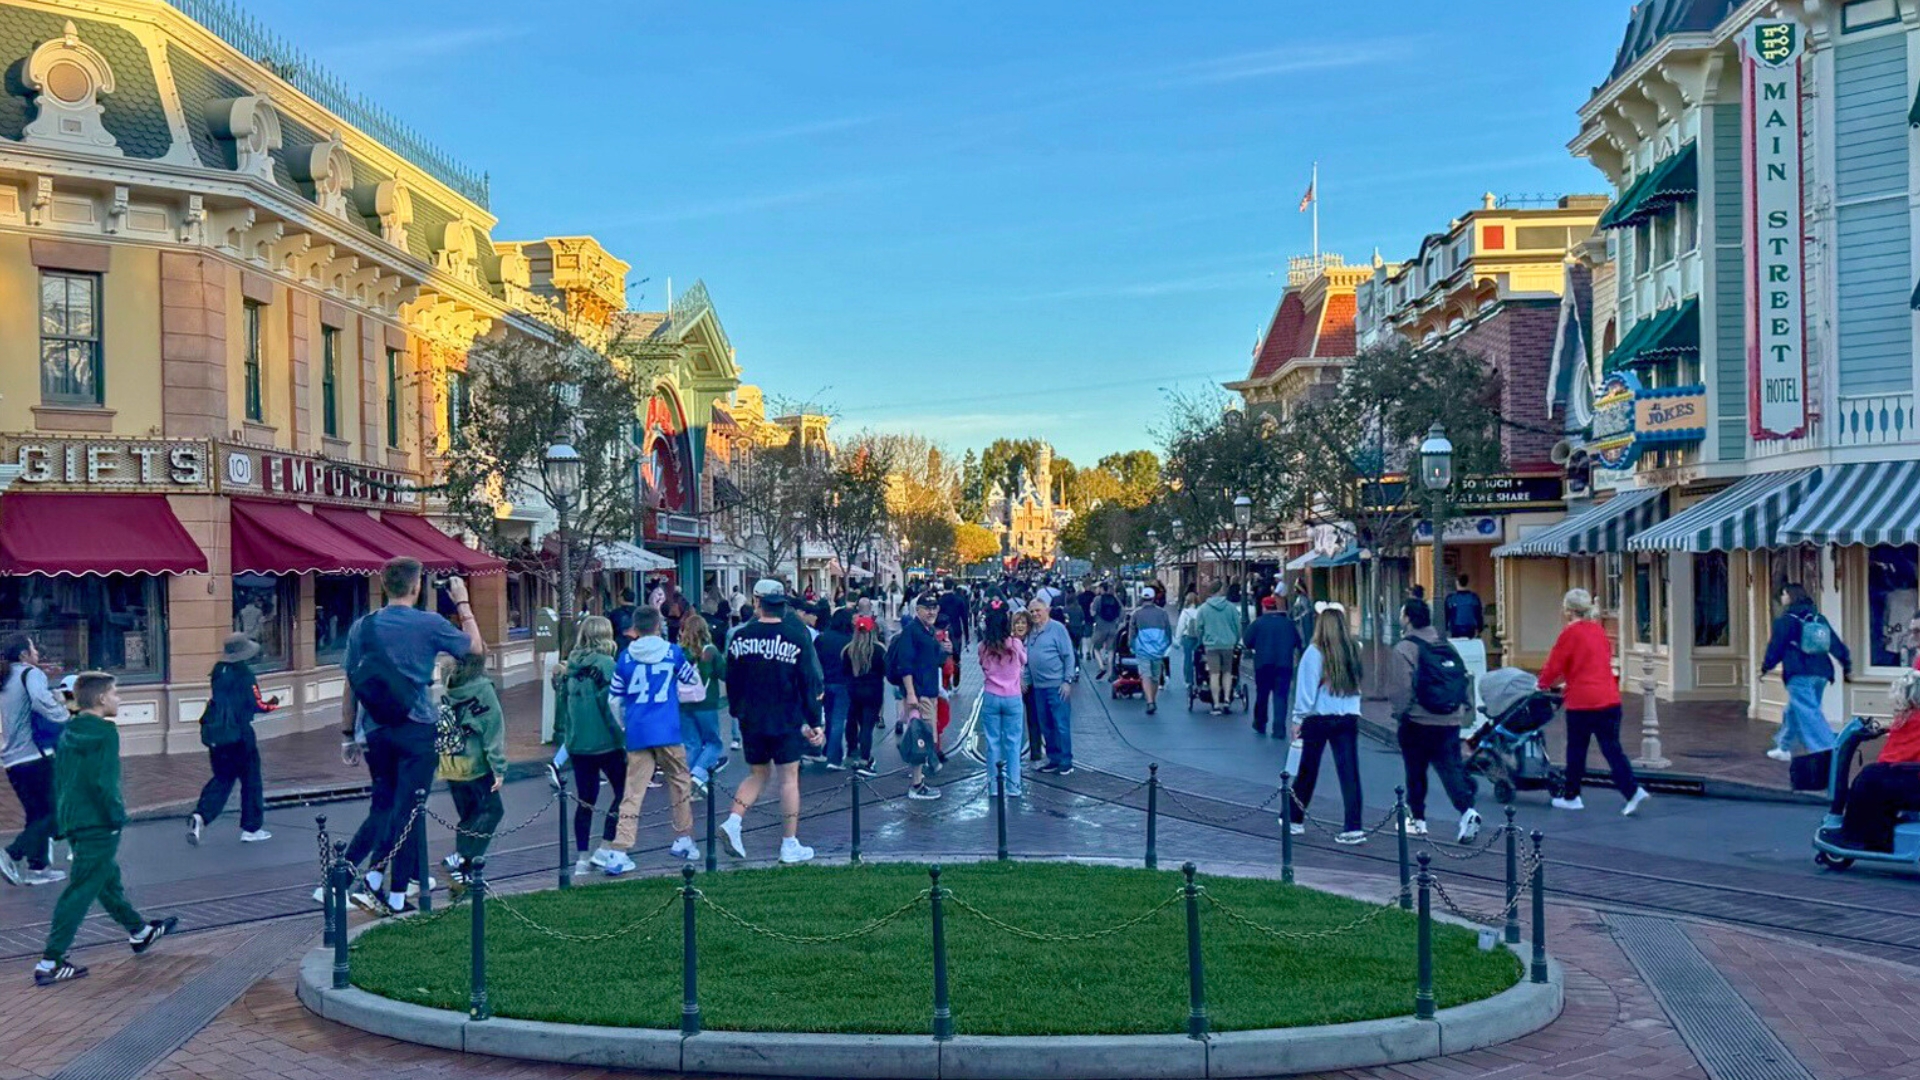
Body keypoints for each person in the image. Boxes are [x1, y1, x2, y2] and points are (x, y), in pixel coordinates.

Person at [341, 558, 485, 916]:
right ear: (417, 586)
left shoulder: (363, 627)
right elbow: (475, 649)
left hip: (376, 729)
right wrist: (463, 601)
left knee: (395, 806)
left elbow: (351, 684)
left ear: (384, 585)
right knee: (408, 809)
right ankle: (382, 885)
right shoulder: (428, 623)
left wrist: (347, 733)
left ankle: (389, 889)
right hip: (417, 726)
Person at [34, 671, 177, 986]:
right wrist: (116, 818)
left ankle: (139, 931)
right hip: (98, 822)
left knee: (105, 880)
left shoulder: (70, 730)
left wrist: (62, 820)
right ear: (100, 698)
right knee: (82, 888)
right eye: (115, 693)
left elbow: (62, 780)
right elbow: (104, 782)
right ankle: (50, 961)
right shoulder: (105, 733)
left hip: (75, 820)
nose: (118, 699)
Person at [722, 581, 825, 862]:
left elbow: (732, 679)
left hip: (751, 718)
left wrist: (736, 709)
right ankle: (789, 843)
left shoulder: (741, 638)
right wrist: (816, 721)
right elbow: (808, 682)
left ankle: (733, 821)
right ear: (784, 606)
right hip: (785, 717)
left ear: (758, 604)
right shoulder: (795, 637)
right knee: (788, 779)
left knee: (758, 774)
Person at [1539, 588, 1651, 816]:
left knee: (1576, 749)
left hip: (1583, 702)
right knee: (1612, 748)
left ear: (1569, 611)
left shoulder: (1570, 634)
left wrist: (1542, 684)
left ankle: (1572, 796)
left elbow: (1555, 665)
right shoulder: (1598, 631)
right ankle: (1631, 790)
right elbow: (1595, 663)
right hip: (1609, 698)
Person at [607, 606, 701, 872]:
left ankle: (620, 849)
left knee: (633, 791)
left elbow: (614, 699)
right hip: (667, 729)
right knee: (680, 782)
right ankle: (683, 838)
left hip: (638, 730)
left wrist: (626, 724)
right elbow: (691, 681)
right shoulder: (673, 653)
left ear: (635, 629)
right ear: (658, 625)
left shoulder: (625, 658)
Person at [1387, 598, 1481, 843]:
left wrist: (1401, 713)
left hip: (1418, 720)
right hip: (1450, 719)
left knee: (1415, 770)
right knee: (1451, 768)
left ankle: (1417, 819)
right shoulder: (1445, 645)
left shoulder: (1405, 649)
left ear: (1407, 618)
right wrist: (1463, 710)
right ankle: (1467, 811)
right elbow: (1462, 678)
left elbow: (1401, 690)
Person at [188, 634, 281, 846]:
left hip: (217, 734)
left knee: (222, 777)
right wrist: (273, 704)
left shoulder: (218, 671)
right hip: (239, 735)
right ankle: (251, 828)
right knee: (251, 780)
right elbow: (257, 704)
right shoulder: (244, 674)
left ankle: (202, 815)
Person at [555, 616, 628, 877]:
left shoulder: (570, 667)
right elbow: (611, 708)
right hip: (606, 743)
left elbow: (562, 708)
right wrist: (623, 739)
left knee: (585, 799)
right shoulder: (607, 665)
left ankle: (582, 859)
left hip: (578, 744)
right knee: (624, 793)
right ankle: (606, 845)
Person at [1288, 607, 1367, 844]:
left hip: (1318, 717)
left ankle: (1295, 818)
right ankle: (1353, 827)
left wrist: (1297, 718)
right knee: (1349, 772)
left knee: (1308, 769)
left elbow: (1306, 689)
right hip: (1348, 717)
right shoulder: (1355, 649)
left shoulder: (1314, 652)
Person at [1823, 669, 1920, 852]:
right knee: (1878, 778)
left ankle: (1857, 838)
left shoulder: (1912, 719)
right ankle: (1880, 832)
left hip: (1914, 776)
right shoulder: (1913, 718)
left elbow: (1895, 756)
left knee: (1869, 779)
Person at [1, 634, 70, 886]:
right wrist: (64, 715)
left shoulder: (6, 677)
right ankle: (12, 853)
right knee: (55, 813)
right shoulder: (31, 673)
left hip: (12, 760)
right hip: (35, 757)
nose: (37, 653)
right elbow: (41, 702)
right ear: (23, 655)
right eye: (33, 649)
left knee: (37, 814)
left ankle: (38, 868)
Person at [437, 653, 506, 895]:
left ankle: (463, 876)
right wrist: (499, 767)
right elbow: (493, 727)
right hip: (475, 761)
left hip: (451, 760)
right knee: (493, 810)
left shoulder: (450, 685)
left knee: (468, 816)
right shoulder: (482, 688)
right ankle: (461, 860)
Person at [1761, 583, 1853, 763]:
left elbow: (1776, 647)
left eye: (1784, 594)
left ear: (1791, 596)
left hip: (1799, 672)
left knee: (1809, 713)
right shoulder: (1819, 618)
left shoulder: (1786, 620)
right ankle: (1784, 747)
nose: (1782, 597)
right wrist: (1846, 663)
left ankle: (1828, 749)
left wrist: (1766, 666)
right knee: (1795, 710)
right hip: (1822, 672)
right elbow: (1834, 643)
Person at [889, 594, 947, 800]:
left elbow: (931, 660)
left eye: (934, 607)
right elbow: (906, 665)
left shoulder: (928, 631)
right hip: (919, 693)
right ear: (917, 610)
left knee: (924, 735)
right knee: (922, 737)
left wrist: (944, 651)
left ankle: (920, 775)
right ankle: (917, 783)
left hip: (929, 691)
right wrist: (911, 693)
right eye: (926, 608)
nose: (931, 612)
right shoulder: (911, 632)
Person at [977, 606, 1028, 797]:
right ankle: (1013, 786)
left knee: (993, 743)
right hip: (1013, 697)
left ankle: (993, 787)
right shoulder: (1015, 644)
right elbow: (1024, 660)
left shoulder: (983, 646)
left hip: (991, 696)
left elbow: (981, 663)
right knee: (1013, 744)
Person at [1026, 596, 1077, 774]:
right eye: (1031, 611)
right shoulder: (1032, 631)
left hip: (1056, 686)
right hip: (1038, 687)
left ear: (1047, 610)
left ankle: (1066, 760)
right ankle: (1053, 758)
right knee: (1045, 724)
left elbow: (1068, 655)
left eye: (1038, 610)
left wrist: (1067, 680)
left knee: (1060, 724)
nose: (1034, 614)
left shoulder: (1057, 629)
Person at [680, 612, 729, 791]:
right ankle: (698, 775)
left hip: (683, 703)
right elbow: (724, 674)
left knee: (691, 744)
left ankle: (687, 785)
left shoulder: (680, 652)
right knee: (713, 742)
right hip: (705, 702)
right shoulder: (710, 651)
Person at [1244, 595, 1303, 736]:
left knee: (1262, 694)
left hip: (1263, 664)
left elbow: (1247, 641)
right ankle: (1279, 728)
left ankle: (1260, 722)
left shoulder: (1258, 623)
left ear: (1264, 607)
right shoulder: (1288, 623)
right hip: (1284, 664)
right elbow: (1298, 643)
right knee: (1281, 696)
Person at [843, 616, 886, 775]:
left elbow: (845, 672)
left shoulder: (848, 650)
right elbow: (885, 671)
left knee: (856, 721)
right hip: (873, 691)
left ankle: (854, 750)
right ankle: (865, 758)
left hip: (855, 691)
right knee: (867, 726)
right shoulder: (879, 650)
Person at [1196, 581, 1244, 715]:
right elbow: (1237, 626)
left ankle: (1216, 703)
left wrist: (1201, 640)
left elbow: (1198, 628)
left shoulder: (1204, 608)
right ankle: (1227, 699)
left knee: (1214, 674)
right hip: (1228, 644)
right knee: (1228, 672)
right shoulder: (1230, 607)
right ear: (1221, 590)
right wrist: (1235, 639)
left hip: (1211, 645)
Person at [816, 608, 854, 771]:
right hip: (843, 682)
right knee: (838, 719)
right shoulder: (850, 640)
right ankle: (834, 757)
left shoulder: (822, 638)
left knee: (830, 717)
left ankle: (826, 750)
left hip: (825, 682)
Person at [1131, 588, 1174, 714]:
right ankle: (1153, 699)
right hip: (1158, 649)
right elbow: (1168, 631)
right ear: (1154, 598)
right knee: (1155, 676)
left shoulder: (1136, 614)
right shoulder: (1162, 613)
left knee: (1146, 675)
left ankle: (1150, 701)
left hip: (1142, 649)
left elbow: (1132, 632)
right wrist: (1167, 644)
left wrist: (1132, 645)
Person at [1012, 608, 1043, 762]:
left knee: (1034, 720)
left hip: (1032, 686)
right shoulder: (1009, 642)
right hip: (1013, 688)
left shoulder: (1033, 640)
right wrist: (1019, 681)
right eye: (1017, 622)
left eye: (1023, 623)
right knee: (1015, 723)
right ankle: (1013, 754)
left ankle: (1036, 752)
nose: (1020, 626)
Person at [1090, 583, 1124, 678]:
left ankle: (1101, 666)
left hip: (1100, 628)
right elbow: (1122, 611)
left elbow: (1093, 613)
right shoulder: (1115, 599)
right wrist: (1118, 621)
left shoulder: (1097, 599)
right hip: (1113, 627)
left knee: (1096, 648)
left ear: (1101, 589)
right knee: (1110, 650)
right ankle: (1110, 672)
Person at [1173, 591, 1202, 690]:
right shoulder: (1201, 611)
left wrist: (1177, 638)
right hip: (1198, 638)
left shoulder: (1185, 612)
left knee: (1188, 659)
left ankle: (1188, 681)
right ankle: (1200, 679)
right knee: (1199, 659)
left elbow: (1181, 626)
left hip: (1188, 637)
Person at [1444, 575, 1485, 641]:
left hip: (1455, 629)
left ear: (1457, 582)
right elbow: (1478, 615)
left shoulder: (1451, 598)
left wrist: (1445, 629)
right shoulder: (1474, 597)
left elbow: (1446, 615)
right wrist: (1479, 629)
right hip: (1470, 629)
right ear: (1467, 583)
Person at [938, 582, 971, 655]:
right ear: (953, 587)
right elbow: (964, 619)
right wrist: (967, 636)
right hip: (956, 630)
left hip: (943, 631)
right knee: (956, 655)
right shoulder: (959, 600)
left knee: (945, 657)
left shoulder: (939, 601)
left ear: (944, 587)